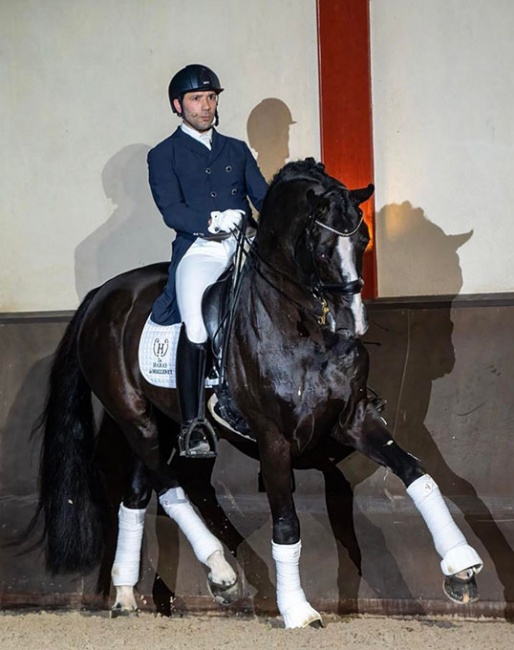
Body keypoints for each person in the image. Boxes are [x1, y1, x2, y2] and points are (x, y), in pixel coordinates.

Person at [147, 64, 268, 457]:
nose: (206, 106)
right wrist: (211, 221)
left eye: (211, 98)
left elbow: (263, 198)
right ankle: (193, 425)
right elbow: (171, 210)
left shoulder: (236, 149)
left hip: (245, 243)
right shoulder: (163, 155)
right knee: (196, 322)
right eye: (197, 99)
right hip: (200, 248)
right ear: (177, 105)